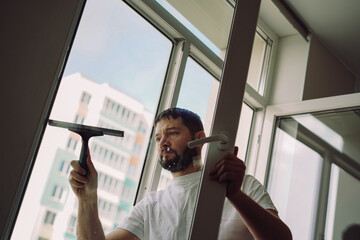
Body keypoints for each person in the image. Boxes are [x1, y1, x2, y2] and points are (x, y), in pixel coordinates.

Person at [69, 107, 292, 240]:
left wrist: (234, 195)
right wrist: (87, 198)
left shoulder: (244, 186)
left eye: (172, 133)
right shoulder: (151, 206)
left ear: (199, 138)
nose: (163, 142)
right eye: (158, 138)